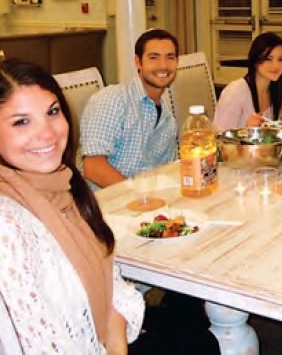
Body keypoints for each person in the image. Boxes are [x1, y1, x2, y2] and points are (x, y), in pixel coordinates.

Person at [0, 58, 144, 353]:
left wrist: (117, 344)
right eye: (21, 122)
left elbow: (114, 285)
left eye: (52, 112)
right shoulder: (8, 223)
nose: (48, 134)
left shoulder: (62, 188)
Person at [80, 29, 179, 189]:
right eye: (153, 58)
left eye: (170, 58)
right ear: (138, 62)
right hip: (102, 203)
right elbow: (93, 167)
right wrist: (137, 197)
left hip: (143, 201)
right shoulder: (114, 99)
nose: (163, 65)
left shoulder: (167, 119)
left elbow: (162, 173)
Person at [213, 32, 282, 131]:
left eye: (280, 59)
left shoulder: (276, 92)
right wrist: (247, 131)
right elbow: (220, 139)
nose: (275, 65)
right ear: (256, 61)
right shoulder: (236, 92)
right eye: (269, 59)